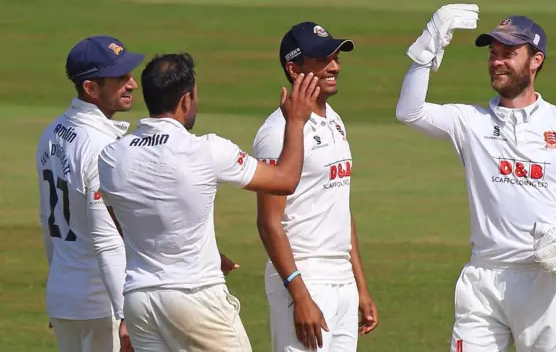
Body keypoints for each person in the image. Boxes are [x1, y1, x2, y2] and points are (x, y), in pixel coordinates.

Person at [395, 4, 556, 352]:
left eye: (509, 53)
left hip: (544, 279)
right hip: (482, 280)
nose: (497, 61)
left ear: (536, 60)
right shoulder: (470, 122)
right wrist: (428, 45)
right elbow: (409, 111)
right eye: (493, 53)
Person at [96, 52, 320, 352]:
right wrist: (295, 121)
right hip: (195, 296)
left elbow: (121, 220)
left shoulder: (111, 157)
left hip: (140, 301)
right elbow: (285, 180)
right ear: (186, 100)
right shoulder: (206, 149)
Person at [252, 21, 378, 352]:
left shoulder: (334, 120)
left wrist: (360, 287)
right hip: (303, 276)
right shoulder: (276, 132)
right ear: (293, 69)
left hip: (341, 280)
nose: (334, 66)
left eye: (335, 57)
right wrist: (299, 293)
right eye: (322, 59)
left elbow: (340, 205)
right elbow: (268, 222)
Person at [35, 35, 144, 352]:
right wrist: (125, 314)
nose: (133, 84)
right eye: (121, 78)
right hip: (102, 305)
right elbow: (107, 237)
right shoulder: (101, 148)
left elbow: (46, 221)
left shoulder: (51, 133)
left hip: (67, 299)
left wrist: (61, 289)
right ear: (91, 89)